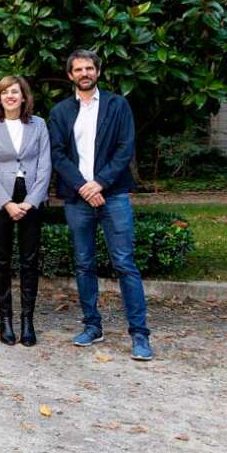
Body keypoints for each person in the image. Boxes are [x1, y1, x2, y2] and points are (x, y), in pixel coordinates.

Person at [48, 49, 152, 361]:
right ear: (70, 75)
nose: (84, 73)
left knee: (124, 263)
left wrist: (100, 183)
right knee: (83, 263)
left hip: (113, 194)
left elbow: (125, 148)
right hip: (77, 198)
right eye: (78, 69)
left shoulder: (118, 105)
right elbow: (57, 153)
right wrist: (83, 186)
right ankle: (93, 325)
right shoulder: (61, 111)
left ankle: (140, 334)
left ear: (97, 71)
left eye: (89, 68)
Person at [0, 76, 51, 347]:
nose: (10, 96)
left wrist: (31, 201)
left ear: (24, 97)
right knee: (2, 260)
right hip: (0, 199)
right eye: (4, 92)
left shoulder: (39, 125)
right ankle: (5, 320)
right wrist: (6, 203)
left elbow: (45, 167)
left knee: (29, 260)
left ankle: (27, 321)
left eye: (15, 92)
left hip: (31, 197)